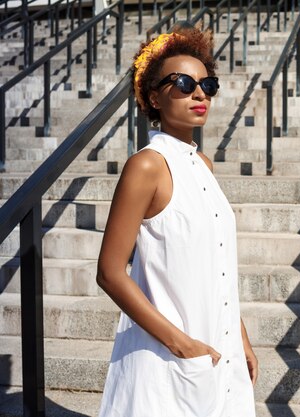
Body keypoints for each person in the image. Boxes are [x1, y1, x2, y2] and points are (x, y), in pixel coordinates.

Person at [96, 24, 257, 417]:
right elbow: (110, 272)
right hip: (166, 358)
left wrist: (242, 339)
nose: (199, 93)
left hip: (220, 352)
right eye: (183, 83)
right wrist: (181, 344)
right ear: (154, 96)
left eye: (208, 84)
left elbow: (215, 267)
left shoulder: (203, 165)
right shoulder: (147, 166)